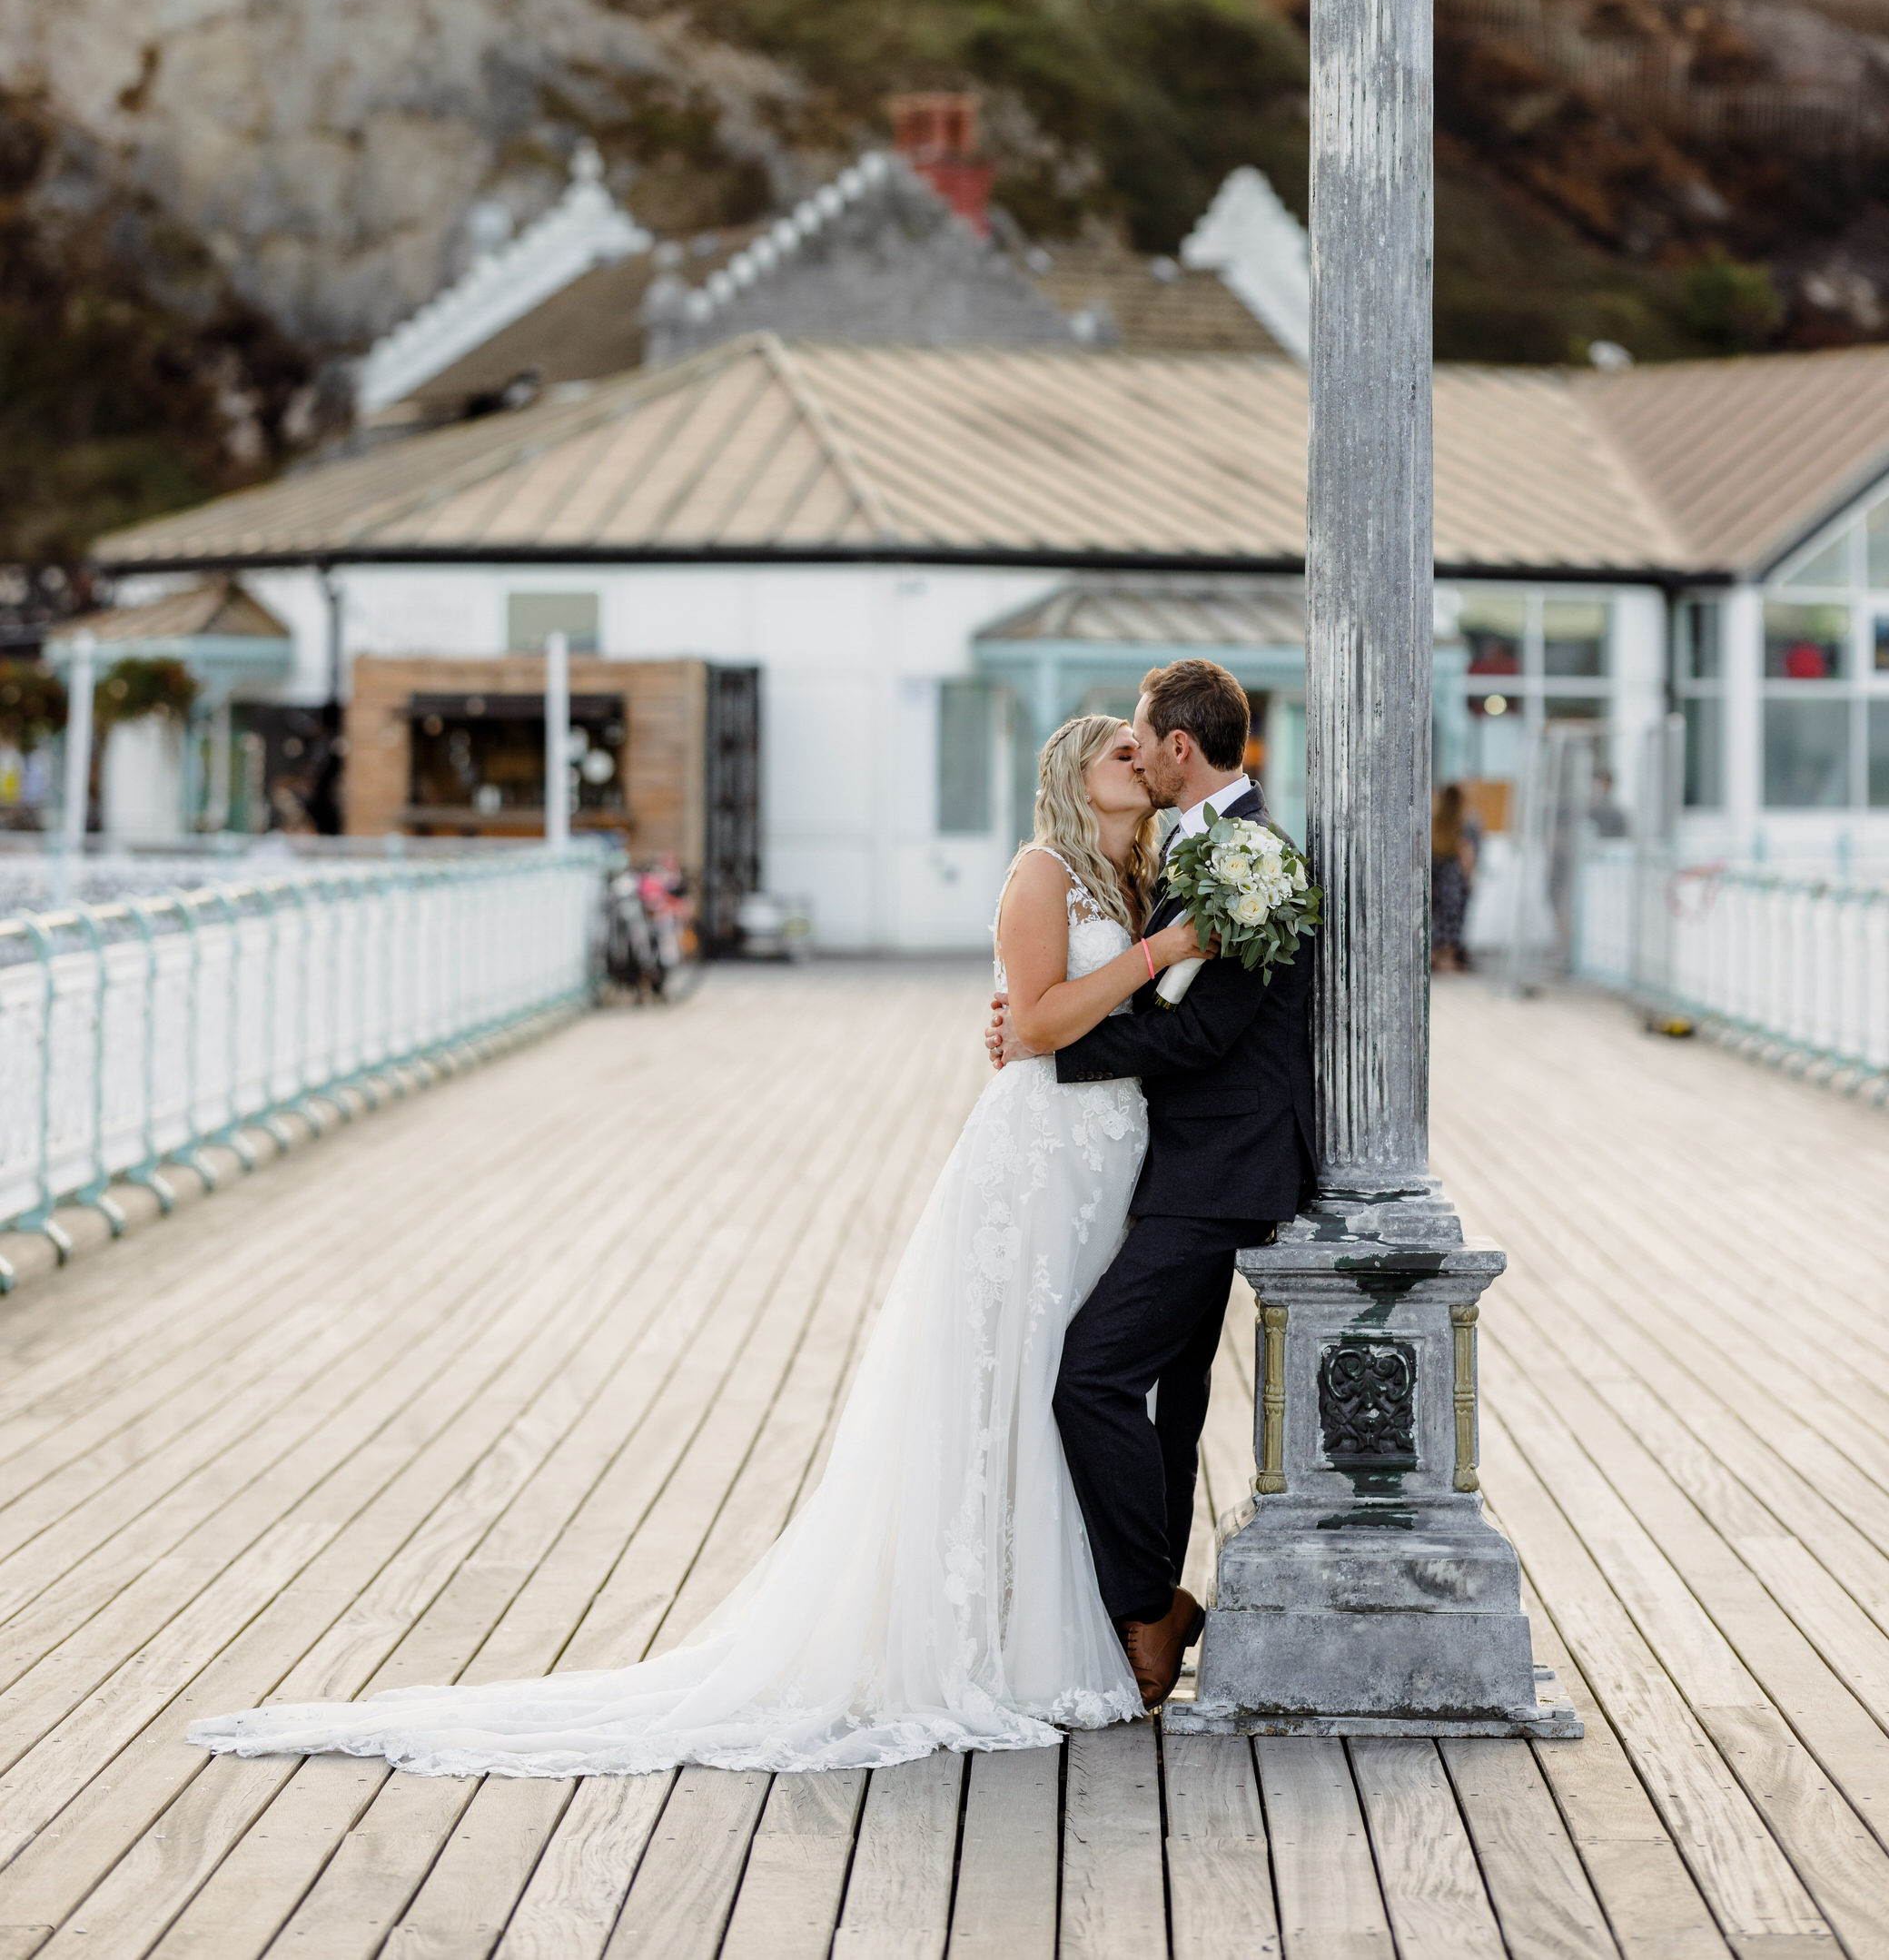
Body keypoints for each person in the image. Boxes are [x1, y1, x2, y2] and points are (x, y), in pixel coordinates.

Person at [185, 712, 1209, 1780]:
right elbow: (1037, 1025)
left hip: (1103, 1162)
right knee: (1005, 1377)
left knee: (1055, 1386)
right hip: (1034, 1164)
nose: (1138, 761)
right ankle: (990, 1636)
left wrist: (1148, 952)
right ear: (1070, 777)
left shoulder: (1135, 875)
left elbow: (1088, 1018)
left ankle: (1051, 1620)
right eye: (1118, 754)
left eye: (1142, 751)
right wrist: (1155, 954)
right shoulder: (1042, 873)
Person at [987, 657, 1317, 1707]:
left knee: (1090, 1374)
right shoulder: (1180, 850)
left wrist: (1051, 1045)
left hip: (1217, 1166)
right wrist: (1038, 1015)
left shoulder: (1251, 853)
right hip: (1171, 1160)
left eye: (1140, 739)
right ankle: (1147, 1627)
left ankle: (1142, 1607)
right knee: (1168, 1403)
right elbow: (1100, 985)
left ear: (1180, 747)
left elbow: (1211, 1026)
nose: (1133, 753)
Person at [1430, 781, 1481, 973]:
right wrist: (1469, 879)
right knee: (1453, 921)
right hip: (1454, 882)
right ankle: (1447, 958)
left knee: (1436, 919)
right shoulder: (1464, 824)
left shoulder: (1435, 823)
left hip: (1437, 880)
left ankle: (1434, 955)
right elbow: (1467, 856)